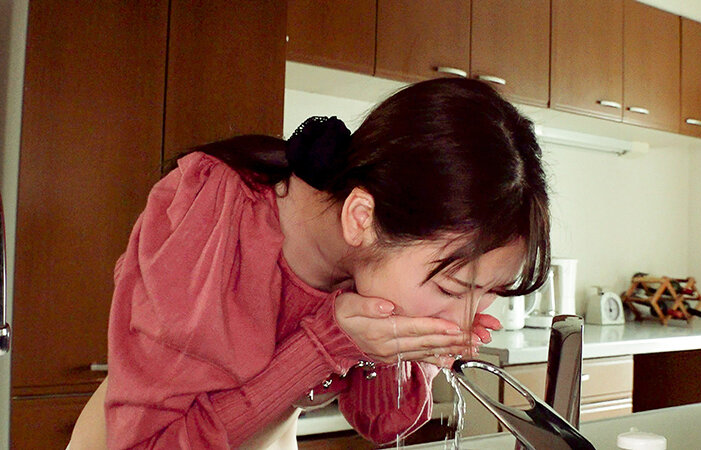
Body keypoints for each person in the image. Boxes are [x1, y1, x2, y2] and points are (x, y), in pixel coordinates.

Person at [69, 77, 551, 449]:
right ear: (361, 218)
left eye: (489, 291)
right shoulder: (218, 215)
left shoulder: (373, 263)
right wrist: (327, 344)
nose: (463, 319)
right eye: (452, 289)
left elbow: (384, 423)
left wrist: (395, 349)